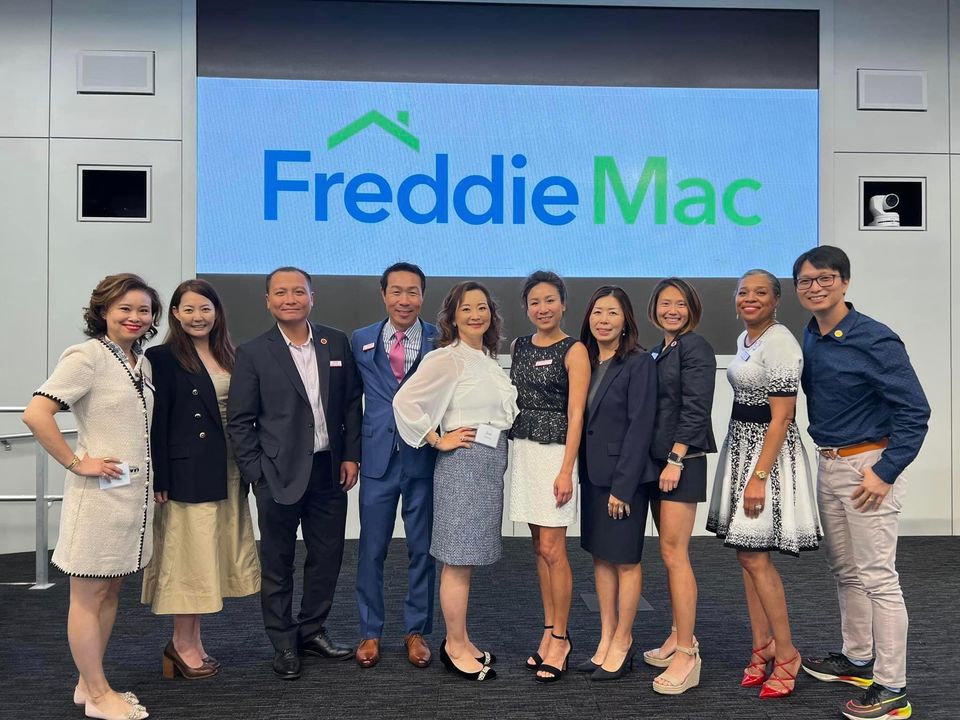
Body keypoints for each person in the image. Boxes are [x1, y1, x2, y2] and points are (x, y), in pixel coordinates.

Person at [793, 246, 928, 720]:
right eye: (806, 281)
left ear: (845, 282)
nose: (815, 287)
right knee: (846, 572)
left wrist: (885, 472)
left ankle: (893, 688)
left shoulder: (875, 339)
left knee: (878, 579)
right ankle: (856, 660)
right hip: (829, 464)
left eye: (824, 278)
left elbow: (916, 412)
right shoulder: (810, 335)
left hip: (868, 467)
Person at [23, 273, 162, 720]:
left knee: (109, 592)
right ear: (103, 311)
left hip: (131, 499)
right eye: (125, 309)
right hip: (99, 499)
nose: (135, 317)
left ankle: (89, 683)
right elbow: (36, 413)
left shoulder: (140, 361)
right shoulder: (87, 356)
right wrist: (75, 461)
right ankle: (100, 695)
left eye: (144, 310)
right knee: (87, 596)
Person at [226, 267, 362, 680]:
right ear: (267, 301)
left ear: (311, 297)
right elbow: (240, 421)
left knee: (326, 558)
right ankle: (283, 642)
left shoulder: (335, 341)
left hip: (328, 470)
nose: (290, 299)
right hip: (276, 475)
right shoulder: (252, 353)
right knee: (278, 562)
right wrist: (256, 475)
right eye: (280, 293)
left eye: (298, 292)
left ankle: (312, 630)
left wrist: (351, 455)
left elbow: (351, 403)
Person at [393, 281, 518, 682]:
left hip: (488, 463)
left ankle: (462, 639)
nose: (476, 315)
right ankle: (453, 645)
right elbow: (404, 401)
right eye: (466, 309)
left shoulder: (487, 358)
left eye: (482, 308)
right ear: (452, 316)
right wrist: (435, 438)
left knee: (468, 560)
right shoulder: (447, 358)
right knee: (458, 560)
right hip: (462, 465)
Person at [706, 268, 820, 699]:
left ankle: (787, 652)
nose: (748, 299)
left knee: (756, 558)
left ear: (776, 300)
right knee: (746, 556)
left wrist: (758, 476)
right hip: (742, 446)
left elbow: (782, 416)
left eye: (759, 293)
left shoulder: (781, 342)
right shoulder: (746, 340)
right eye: (742, 292)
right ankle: (762, 646)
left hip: (767, 457)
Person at [141, 279, 260, 679]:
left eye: (205, 309)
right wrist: (161, 473)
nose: (197, 317)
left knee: (209, 557)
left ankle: (191, 640)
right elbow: (155, 424)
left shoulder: (232, 354)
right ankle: (182, 643)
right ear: (175, 314)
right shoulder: (161, 357)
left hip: (229, 468)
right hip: (187, 472)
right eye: (188, 309)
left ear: (217, 313)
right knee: (187, 557)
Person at [351, 262, 439, 669]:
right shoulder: (360, 340)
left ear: (424, 295)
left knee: (422, 549)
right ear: (384, 294)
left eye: (414, 292)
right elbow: (350, 403)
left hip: (424, 456)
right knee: (372, 549)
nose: (405, 300)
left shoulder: (441, 340)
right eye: (397, 291)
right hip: (377, 459)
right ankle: (370, 631)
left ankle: (416, 630)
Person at [509, 270, 589, 683]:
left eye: (550, 300)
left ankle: (562, 637)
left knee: (555, 549)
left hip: (555, 453)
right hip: (522, 451)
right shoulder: (519, 345)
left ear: (563, 304)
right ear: (527, 307)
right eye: (535, 302)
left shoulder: (573, 350)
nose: (542, 308)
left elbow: (577, 414)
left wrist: (566, 470)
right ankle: (547, 630)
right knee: (539, 547)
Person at [576, 286, 658, 682]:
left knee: (625, 560)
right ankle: (605, 635)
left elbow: (640, 426)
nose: (603, 320)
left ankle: (624, 641)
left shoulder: (639, 363)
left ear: (626, 319)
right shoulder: (584, 359)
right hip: (592, 476)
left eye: (611, 313)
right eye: (596, 312)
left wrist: (622, 488)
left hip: (623, 481)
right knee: (601, 557)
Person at [642, 278, 717, 695]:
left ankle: (688, 653)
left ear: (692, 308)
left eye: (681, 304)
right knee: (667, 553)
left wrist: (674, 457)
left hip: (680, 462)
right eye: (666, 303)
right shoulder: (660, 349)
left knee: (675, 555)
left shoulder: (695, 346)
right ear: (655, 308)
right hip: (657, 461)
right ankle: (676, 634)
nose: (673, 310)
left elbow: (696, 405)